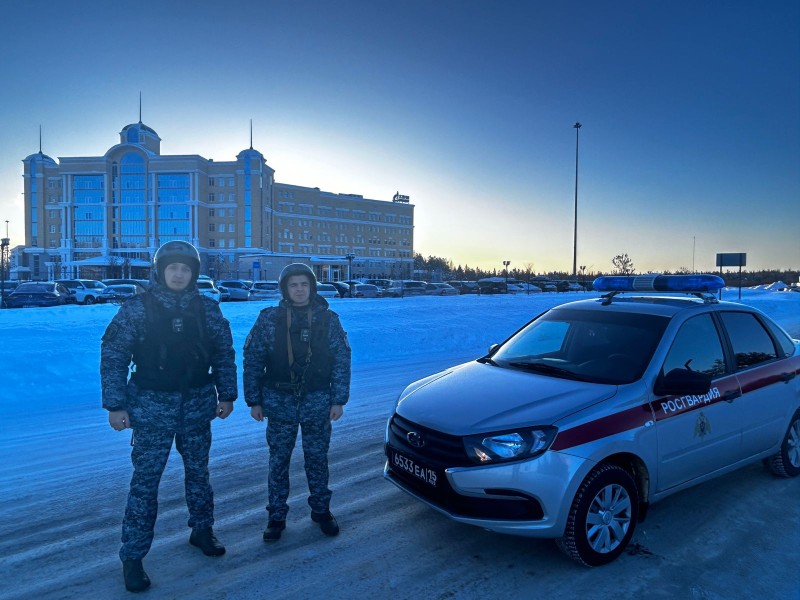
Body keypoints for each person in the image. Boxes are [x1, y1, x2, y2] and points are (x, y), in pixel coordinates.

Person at [100, 241, 237, 593]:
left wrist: (228, 395)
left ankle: (202, 530)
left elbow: (223, 352)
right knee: (145, 483)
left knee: (199, 474)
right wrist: (116, 405)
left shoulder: (207, 309)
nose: (179, 274)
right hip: (150, 409)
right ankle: (133, 556)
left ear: (194, 273)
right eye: (173, 268)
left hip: (196, 407)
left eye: (186, 269)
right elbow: (113, 355)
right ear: (160, 271)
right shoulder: (137, 308)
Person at [243, 263, 351, 542]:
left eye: (304, 284)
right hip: (278, 401)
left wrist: (338, 399)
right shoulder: (269, 318)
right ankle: (276, 516)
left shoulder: (328, 319)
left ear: (312, 287)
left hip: (317, 399)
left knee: (317, 458)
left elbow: (341, 359)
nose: (300, 290)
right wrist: (254, 400)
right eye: (294, 285)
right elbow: (253, 359)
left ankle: (321, 510)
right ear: (285, 289)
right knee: (278, 461)